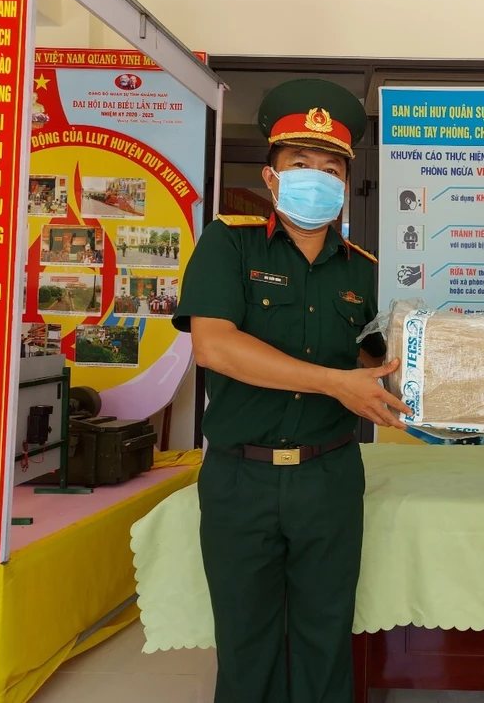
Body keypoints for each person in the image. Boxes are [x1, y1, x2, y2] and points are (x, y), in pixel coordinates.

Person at [173, 78, 412, 703]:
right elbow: (214, 346)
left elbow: (380, 366)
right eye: (301, 164)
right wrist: (334, 383)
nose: (317, 179)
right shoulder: (229, 243)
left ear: (345, 184)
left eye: (331, 169)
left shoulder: (364, 271)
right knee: (246, 642)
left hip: (329, 477)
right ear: (272, 177)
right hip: (240, 478)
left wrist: (442, 362)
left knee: (324, 640)